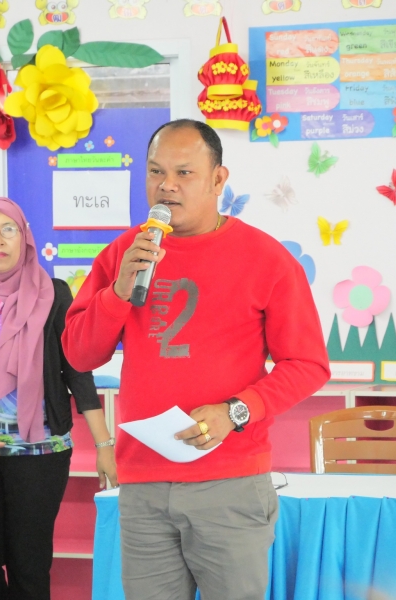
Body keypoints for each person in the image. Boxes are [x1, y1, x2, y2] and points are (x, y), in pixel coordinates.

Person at [62, 119, 330, 600]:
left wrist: (236, 412)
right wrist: (118, 292)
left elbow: (307, 365)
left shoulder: (266, 258)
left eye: (184, 173)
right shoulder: (127, 252)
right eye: (156, 172)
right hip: (143, 482)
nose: (166, 185)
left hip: (230, 482)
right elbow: (80, 354)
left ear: (218, 179)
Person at [0, 197, 117, 600]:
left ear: (25, 238)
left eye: (8, 230)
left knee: (29, 566)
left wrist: (105, 446)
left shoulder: (55, 295)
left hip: (41, 454)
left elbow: (77, 372)